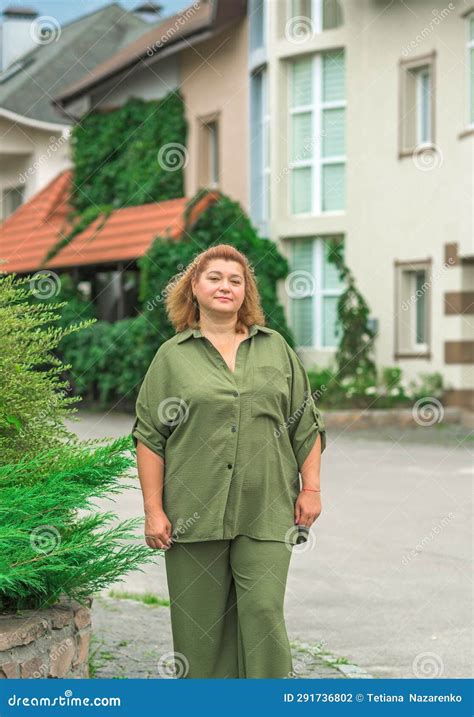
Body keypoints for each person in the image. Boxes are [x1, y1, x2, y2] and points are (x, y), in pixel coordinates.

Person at [132, 243, 326, 679]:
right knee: (199, 628)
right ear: (194, 289)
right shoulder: (173, 356)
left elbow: (306, 426)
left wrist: (311, 488)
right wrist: (153, 510)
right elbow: (149, 438)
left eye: (236, 280)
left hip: (269, 508)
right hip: (191, 511)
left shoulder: (276, 349)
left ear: (246, 293)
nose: (226, 286)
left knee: (262, 612)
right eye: (215, 278)